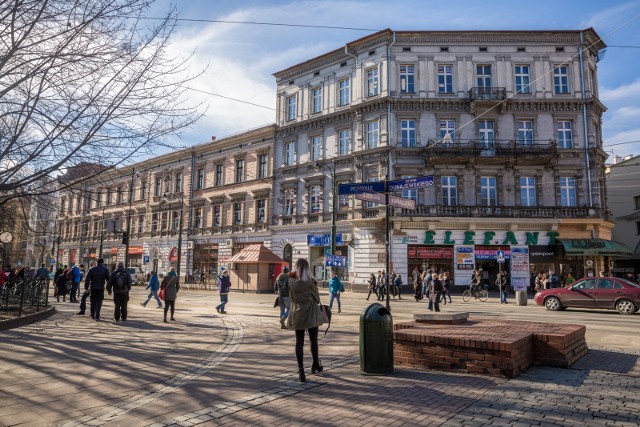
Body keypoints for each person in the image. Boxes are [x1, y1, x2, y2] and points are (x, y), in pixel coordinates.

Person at [287, 258, 324, 383]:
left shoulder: (291, 281)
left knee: (299, 342)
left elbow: (292, 298)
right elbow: (317, 299)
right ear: (307, 268)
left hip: (297, 313)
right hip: (311, 313)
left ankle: (301, 371)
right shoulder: (311, 282)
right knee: (313, 340)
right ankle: (315, 364)